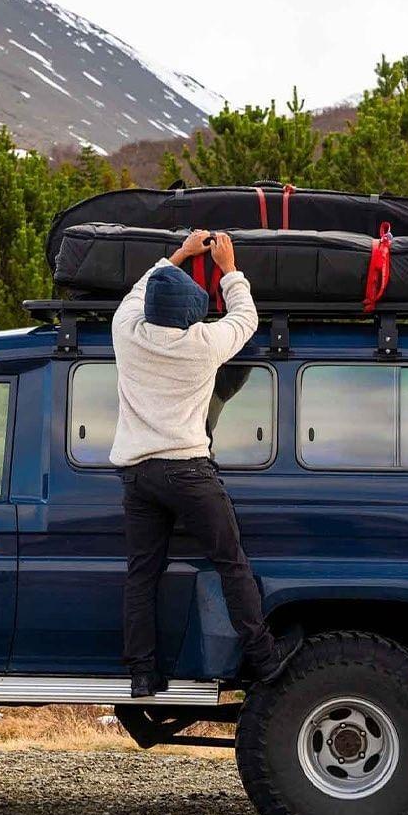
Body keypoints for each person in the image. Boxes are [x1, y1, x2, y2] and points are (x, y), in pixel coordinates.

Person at [110, 229, 301, 697]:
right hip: (188, 472)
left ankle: (141, 673)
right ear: (189, 318)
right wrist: (228, 267)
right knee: (231, 562)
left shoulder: (126, 332)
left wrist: (179, 255)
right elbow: (246, 317)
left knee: (142, 574)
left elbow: (141, 289)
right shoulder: (200, 345)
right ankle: (262, 656)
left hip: (137, 476)